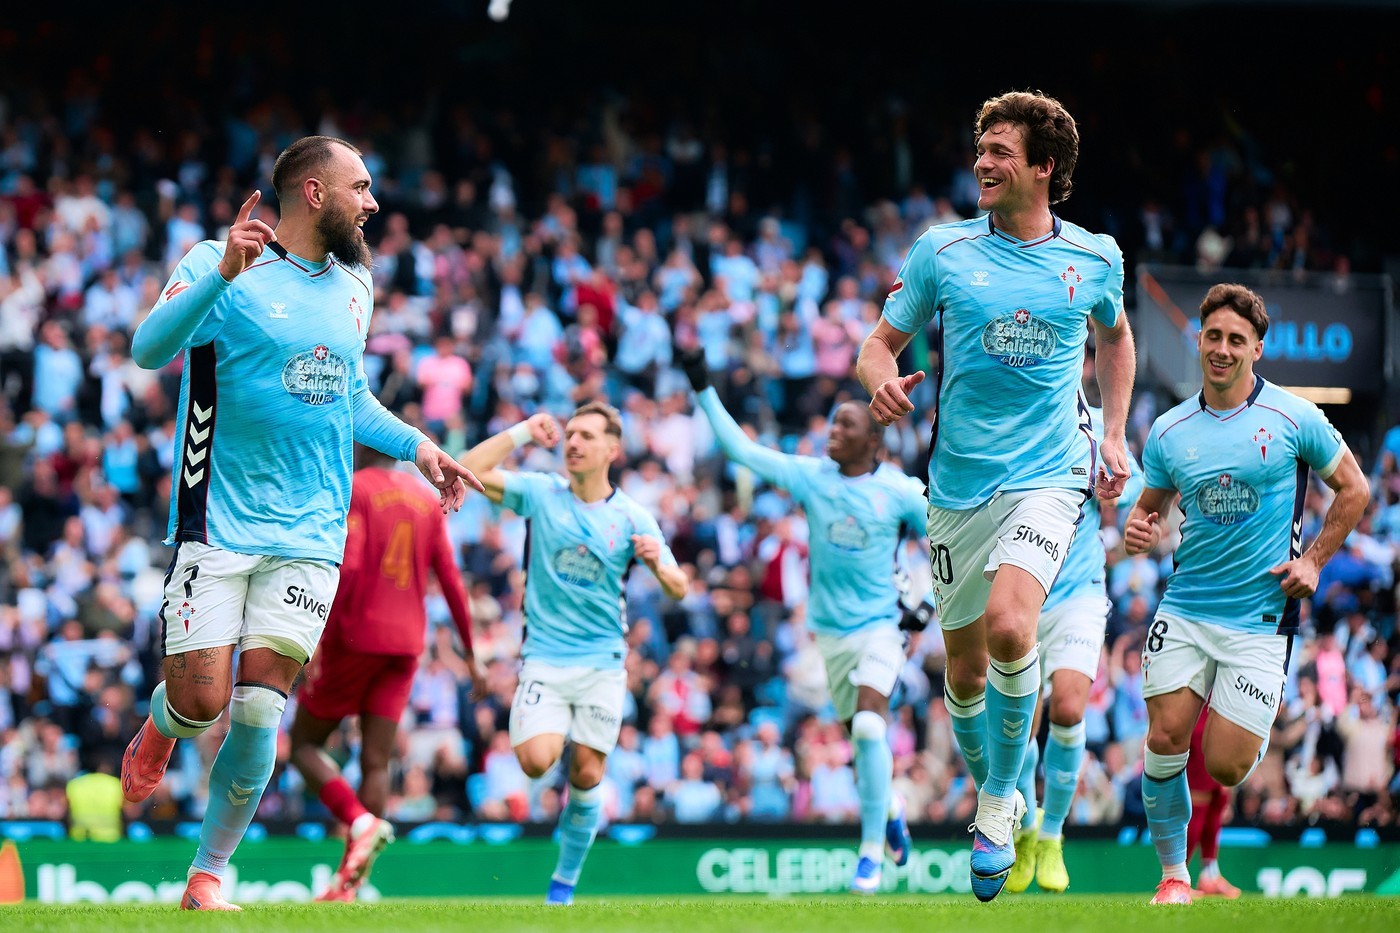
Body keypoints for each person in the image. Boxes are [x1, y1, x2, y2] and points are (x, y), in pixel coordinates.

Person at [118, 136, 479, 912]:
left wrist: (419, 447)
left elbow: (349, 395)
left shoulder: (356, 283)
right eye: (361, 186)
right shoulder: (219, 259)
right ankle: (162, 724)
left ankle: (206, 876)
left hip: (311, 533)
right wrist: (222, 276)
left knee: (259, 713)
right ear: (314, 193)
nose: (372, 202)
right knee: (201, 703)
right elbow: (147, 350)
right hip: (217, 520)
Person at [856, 90, 1135, 902]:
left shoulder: (1094, 257)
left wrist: (1114, 434)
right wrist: (880, 383)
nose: (981, 162)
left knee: (1014, 626)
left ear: (1043, 167)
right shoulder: (941, 251)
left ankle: (998, 805)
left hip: (1049, 477)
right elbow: (879, 343)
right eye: (981, 148)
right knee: (966, 671)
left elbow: (1116, 336)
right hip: (956, 487)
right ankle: (1001, 790)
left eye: (1000, 151)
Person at [1125, 283, 1368, 905]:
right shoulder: (1169, 429)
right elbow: (1150, 507)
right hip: (1186, 608)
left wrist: (1314, 561)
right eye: (1213, 336)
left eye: (1237, 339)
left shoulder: (1294, 417)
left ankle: (1200, 844)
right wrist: (1138, 527)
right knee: (1164, 740)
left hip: (1261, 619)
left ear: (1257, 348)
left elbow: (1355, 489)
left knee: (1225, 765)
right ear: (1198, 339)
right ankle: (1174, 876)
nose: (1222, 349)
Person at [681, 347, 924, 893]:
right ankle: (889, 807)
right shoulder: (812, 477)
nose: (832, 432)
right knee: (862, 743)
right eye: (833, 423)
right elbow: (740, 449)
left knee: (869, 728)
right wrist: (702, 385)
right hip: (830, 636)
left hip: (882, 627)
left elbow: (948, 537)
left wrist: (929, 599)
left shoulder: (900, 492)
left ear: (874, 440)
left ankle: (869, 856)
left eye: (845, 425)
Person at [458, 401, 689, 905]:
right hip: (544, 658)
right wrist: (523, 431)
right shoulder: (541, 493)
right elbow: (467, 469)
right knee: (535, 762)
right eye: (570, 435)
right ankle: (562, 770)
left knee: (586, 774)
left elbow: (680, 587)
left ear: (612, 449)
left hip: (603, 665)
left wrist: (657, 565)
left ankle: (563, 884)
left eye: (587, 436)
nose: (574, 443)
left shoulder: (632, 516)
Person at [290, 445, 484, 903]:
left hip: (355, 637)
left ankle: (360, 821)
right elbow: (451, 580)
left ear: (359, 445)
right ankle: (350, 885)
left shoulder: (355, 489)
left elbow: (352, 567)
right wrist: (471, 654)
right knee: (377, 762)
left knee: (302, 746)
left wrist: (317, 635)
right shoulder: (424, 499)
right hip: (405, 646)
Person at [1007, 392, 1143, 894]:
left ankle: (1052, 835)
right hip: (1018, 593)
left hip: (1078, 592)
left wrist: (1119, 490)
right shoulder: (1010, 421)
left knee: (1067, 708)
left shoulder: (1099, 429)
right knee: (1019, 724)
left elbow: (1140, 486)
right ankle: (1024, 828)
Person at [1186, 708, 1241, 898]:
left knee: (1216, 804)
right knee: (1198, 805)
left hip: (1220, 719)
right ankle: (1178, 878)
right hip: (1199, 722)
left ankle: (1209, 875)